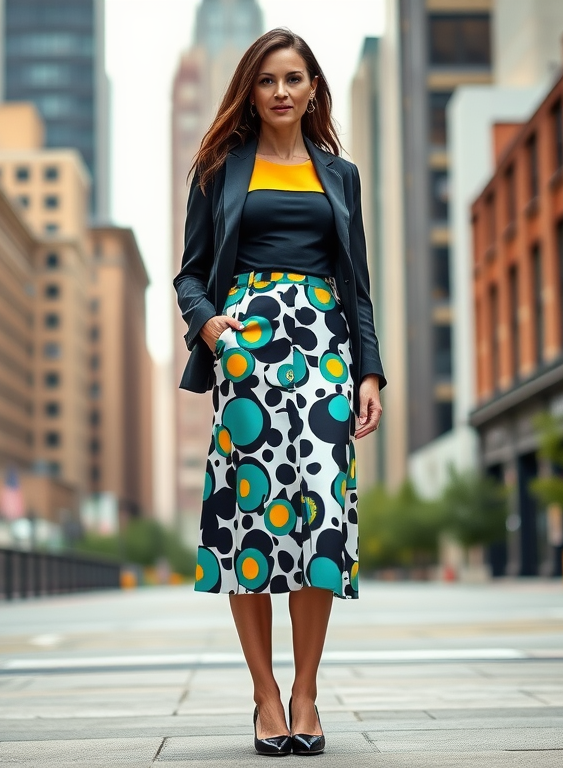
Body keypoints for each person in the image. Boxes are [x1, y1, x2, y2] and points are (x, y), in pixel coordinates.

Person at [173, 27, 386, 756]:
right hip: (249, 356)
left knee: (322, 519)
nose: (282, 91)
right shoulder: (219, 168)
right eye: (268, 80)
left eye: (294, 78)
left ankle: (306, 692)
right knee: (254, 525)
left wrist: (368, 371)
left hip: (325, 352)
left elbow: (356, 284)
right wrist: (210, 329)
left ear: (313, 88)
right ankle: (266, 695)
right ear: (251, 91)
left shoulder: (342, 174)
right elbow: (190, 275)